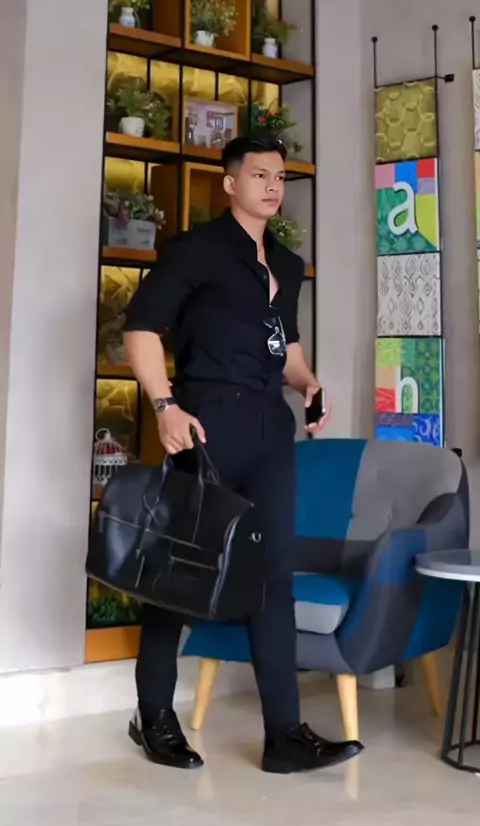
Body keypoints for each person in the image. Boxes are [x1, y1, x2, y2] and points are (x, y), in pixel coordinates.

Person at [123, 134, 364, 775]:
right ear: (230, 183)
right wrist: (164, 405)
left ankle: (284, 736)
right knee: (182, 570)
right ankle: (154, 715)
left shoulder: (286, 264)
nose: (272, 186)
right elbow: (140, 328)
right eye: (258, 175)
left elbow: (287, 349)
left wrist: (308, 385)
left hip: (269, 427)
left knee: (272, 574)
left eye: (279, 177)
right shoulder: (195, 250)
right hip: (206, 422)